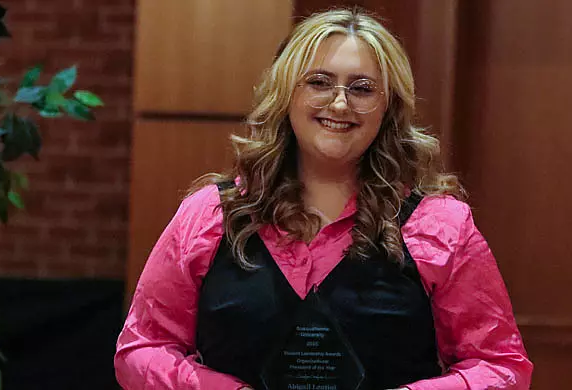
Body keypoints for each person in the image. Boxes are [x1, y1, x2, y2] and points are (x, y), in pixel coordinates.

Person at [115, 7, 532, 390]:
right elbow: (142, 348)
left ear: (388, 108)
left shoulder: (442, 225)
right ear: (287, 94)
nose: (339, 102)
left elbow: (500, 365)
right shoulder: (209, 214)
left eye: (362, 89)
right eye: (318, 82)